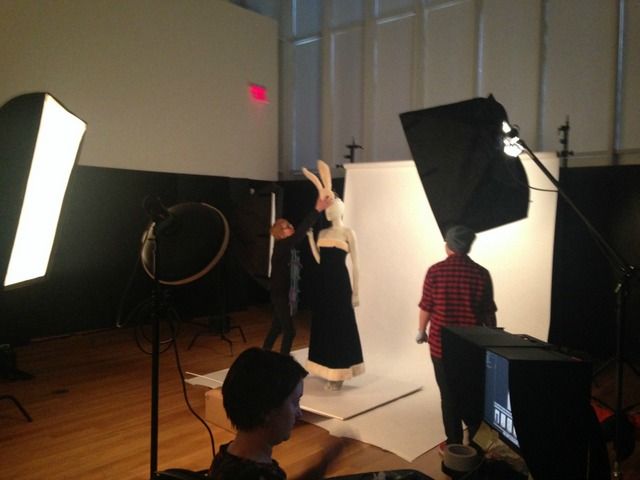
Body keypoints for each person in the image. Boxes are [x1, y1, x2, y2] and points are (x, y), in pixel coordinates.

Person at [209, 347, 432, 480]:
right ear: (267, 412)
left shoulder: (225, 458)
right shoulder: (260, 475)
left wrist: (325, 461)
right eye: (295, 403)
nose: (299, 413)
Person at [416, 225, 497, 449]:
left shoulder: (435, 271)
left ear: (448, 246)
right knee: (473, 395)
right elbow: (488, 313)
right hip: (472, 348)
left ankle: (453, 445)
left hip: (442, 348)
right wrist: (491, 341)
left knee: (448, 397)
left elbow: (427, 307)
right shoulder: (481, 273)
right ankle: (477, 444)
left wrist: (421, 331)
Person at [305, 197, 364, 391]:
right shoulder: (322, 232)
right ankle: (325, 368)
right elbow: (320, 259)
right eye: (327, 209)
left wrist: (356, 292)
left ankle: (340, 372)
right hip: (323, 284)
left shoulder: (348, 232)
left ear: (341, 209)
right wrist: (310, 240)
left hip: (339, 285)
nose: (328, 211)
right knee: (324, 324)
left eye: (332, 207)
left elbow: (356, 264)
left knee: (340, 326)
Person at [262, 194, 333, 355]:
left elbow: (300, 234)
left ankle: (264, 353)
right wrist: (317, 209)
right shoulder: (282, 246)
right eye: (287, 226)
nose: (291, 226)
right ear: (280, 233)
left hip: (285, 293)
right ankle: (283, 361)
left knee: (277, 326)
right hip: (280, 294)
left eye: (289, 224)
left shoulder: (287, 246)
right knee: (289, 331)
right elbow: (300, 232)